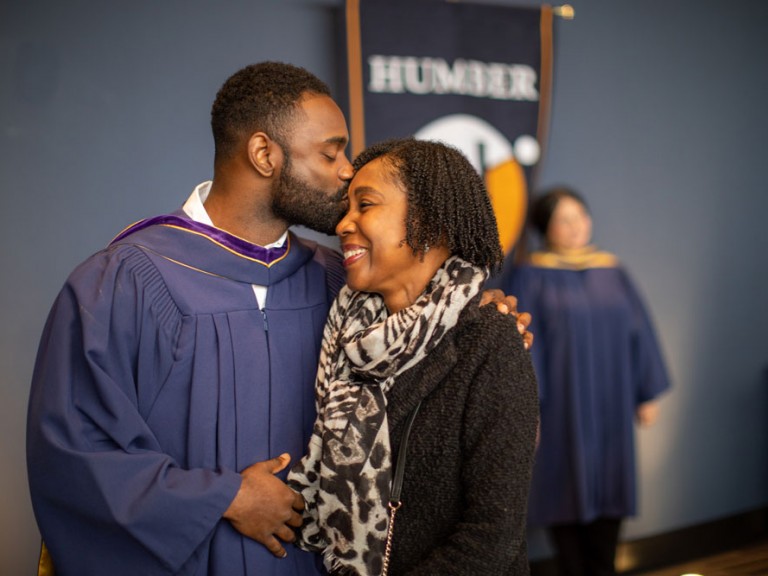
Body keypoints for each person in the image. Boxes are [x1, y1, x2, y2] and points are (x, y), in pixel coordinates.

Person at [26, 62, 531, 576]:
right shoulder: (124, 281)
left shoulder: (340, 281)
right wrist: (222, 497)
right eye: (331, 152)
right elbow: (74, 454)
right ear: (264, 154)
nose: (347, 170)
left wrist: (476, 315)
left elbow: (434, 357)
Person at [287, 138, 540, 576]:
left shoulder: (488, 339)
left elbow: (493, 538)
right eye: (346, 209)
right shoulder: (346, 334)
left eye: (365, 205)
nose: (343, 224)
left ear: (429, 220)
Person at [497, 186, 671, 576]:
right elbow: (522, 345)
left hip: (612, 404)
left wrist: (646, 392)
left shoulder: (612, 270)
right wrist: (528, 409)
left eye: (580, 216)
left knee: (610, 488)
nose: (576, 226)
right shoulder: (531, 275)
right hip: (561, 407)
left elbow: (639, 330)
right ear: (546, 228)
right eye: (564, 219)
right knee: (564, 489)